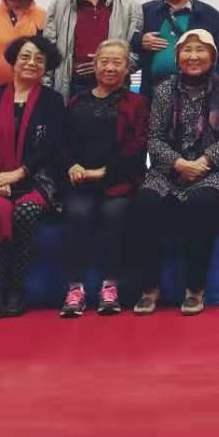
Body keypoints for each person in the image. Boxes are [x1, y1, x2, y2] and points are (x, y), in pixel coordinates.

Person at [131, 30, 219, 316]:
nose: (194, 56)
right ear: (177, 56)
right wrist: (178, 163)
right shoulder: (164, 90)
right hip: (168, 169)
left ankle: (195, 288)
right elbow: (154, 138)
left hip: (212, 169)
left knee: (202, 203)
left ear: (213, 56)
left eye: (201, 50)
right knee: (145, 202)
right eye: (187, 50)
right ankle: (149, 288)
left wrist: (205, 161)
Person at [58, 40, 148, 319]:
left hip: (119, 180)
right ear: (94, 66)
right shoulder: (76, 101)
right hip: (80, 181)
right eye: (104, 61)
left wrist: (104, 172)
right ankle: (75, 288)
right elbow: (62, 142)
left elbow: (138, 146)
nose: (110, 67)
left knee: (115, 213)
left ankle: (111, 286)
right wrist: (72, 165)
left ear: (127, 68)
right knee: (77, 213)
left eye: (117, 62)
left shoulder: (137, 103)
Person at [0, 34, 65, 319]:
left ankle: (16, 289)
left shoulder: (52, 101)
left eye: (39, 59)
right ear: (13, 61)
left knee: (25, 212)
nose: (31, 63)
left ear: (46, 67)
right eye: (25, 56)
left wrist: (17, 174)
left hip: (36, 178)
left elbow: (51, 146)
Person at [43, 0, 142, 101]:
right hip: (70, 89)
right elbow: (48, 53)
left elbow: (137, 54)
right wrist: (46, 93)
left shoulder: (131, 7)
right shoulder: (59, 5)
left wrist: (106, 66)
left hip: (115, 92)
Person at [133, 0, 219, 97]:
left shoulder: (211, 16)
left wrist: (214, 96)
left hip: (198, 96)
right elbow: (126, 43)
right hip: (152, 95)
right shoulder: (145, 11)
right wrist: (139, 41)